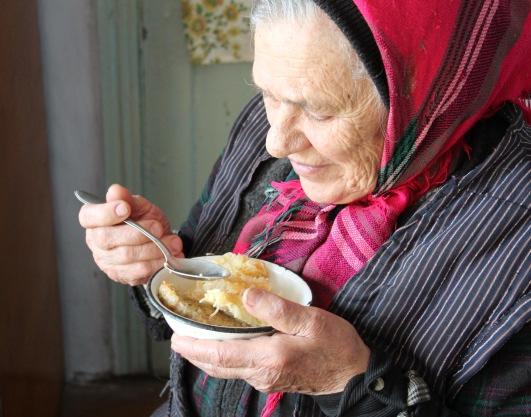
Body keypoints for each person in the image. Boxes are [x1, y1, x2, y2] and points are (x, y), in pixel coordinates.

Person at [78, 0, 531, 416]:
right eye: (270, 94)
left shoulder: (517, 238)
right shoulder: (266, 123)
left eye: (321, 111)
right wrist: (155, 266)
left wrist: (351, 384)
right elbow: (199, 274)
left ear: (434, 98)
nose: (277, 141)